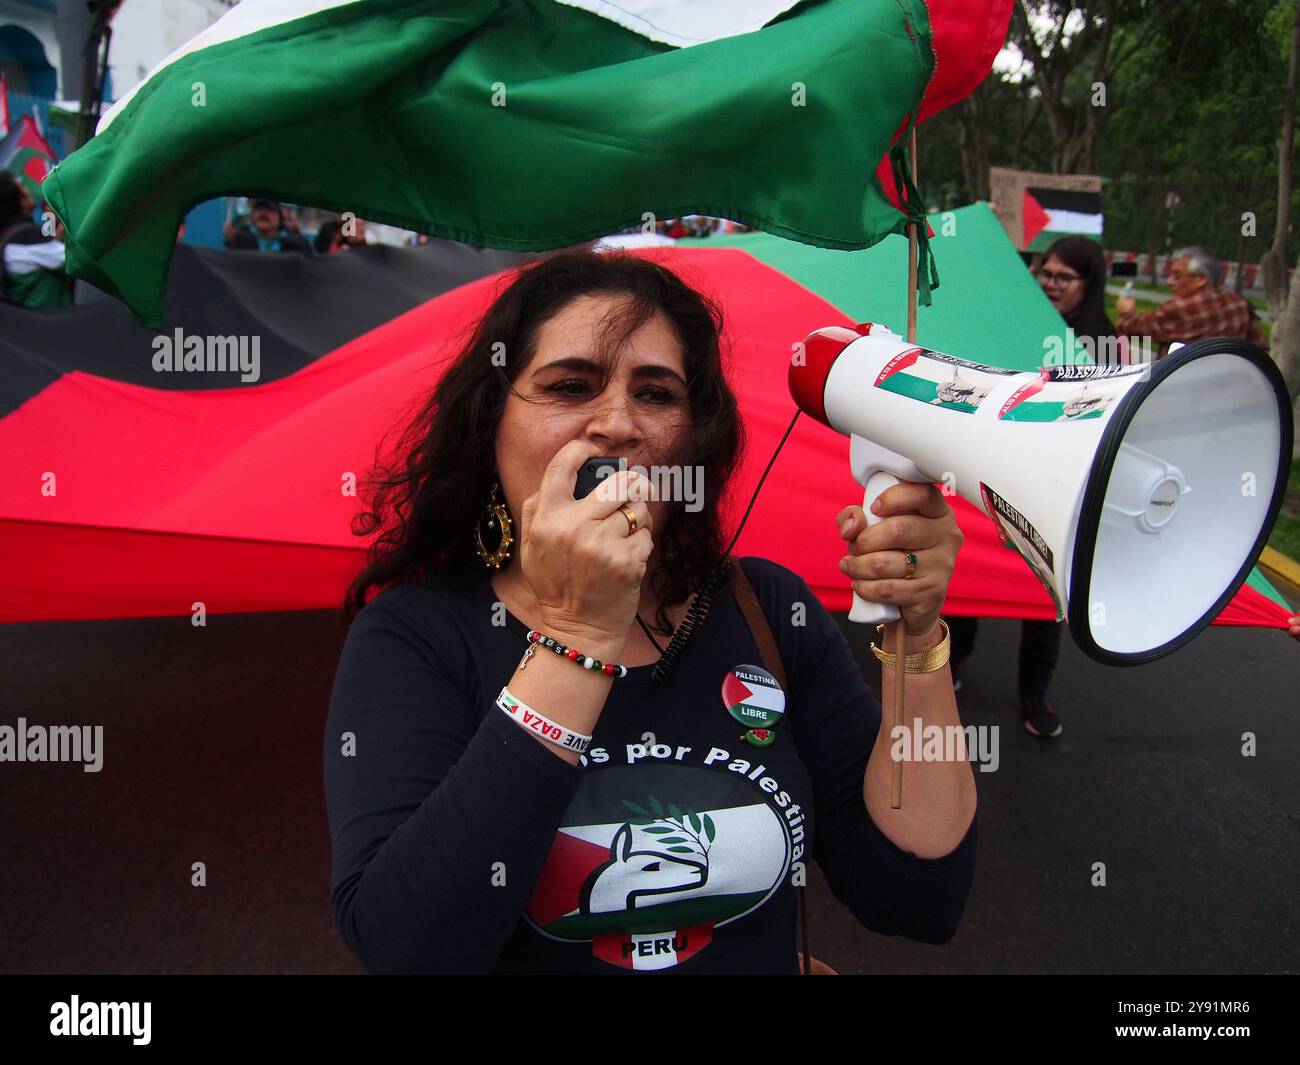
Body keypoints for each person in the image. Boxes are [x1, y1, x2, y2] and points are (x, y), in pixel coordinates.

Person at [323, 250, 977, 974]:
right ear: (492, 423)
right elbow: (406, 947)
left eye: (657, 394)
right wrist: (577, 635)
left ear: (696, 439)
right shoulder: (416, 634)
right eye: (570, 384)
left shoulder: (768, 608)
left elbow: (914, 896)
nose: (616, 423)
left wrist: (917, 635)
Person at [946, 236, 1120, 739]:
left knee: (1044, 595)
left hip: (1056, 490)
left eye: (1063, 278)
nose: (1049, 284)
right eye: (1044, 273)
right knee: (972, 575)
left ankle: (1034, 692)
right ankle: (952, 665)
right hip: (991, 472)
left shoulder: (1103, 344)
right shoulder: (1009, 325)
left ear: (1088, 286)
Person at [1115, 246, 1268, 358]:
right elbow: (1259, 344)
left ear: (1201, 279)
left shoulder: (1180, 309)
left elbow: (1134, 329)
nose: (1169, 281)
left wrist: (1126, 312)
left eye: (1177, 276)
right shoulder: (1238, 303)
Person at [0, 172, 73, 310]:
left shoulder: (10, 236)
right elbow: (73, 259)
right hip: (50, 324)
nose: (27, 189)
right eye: (22, 187)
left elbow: (47, 241)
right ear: (19, 199)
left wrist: (50, 213)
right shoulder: (26, 239)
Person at [222, 198, 312, 255]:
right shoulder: (240, 241)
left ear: (279, 217)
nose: (264, 213)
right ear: (252, 215)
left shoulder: (296, 244)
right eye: (259, 209)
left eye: (269, 209)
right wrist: (231, 240)